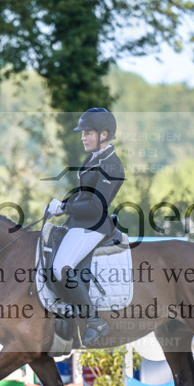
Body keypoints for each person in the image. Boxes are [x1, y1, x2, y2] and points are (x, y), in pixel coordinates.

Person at [45, 107, 125, 345]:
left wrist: (65, 208)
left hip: (93, 225)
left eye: (88, 133)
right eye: (83, 133)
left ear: (104, 134)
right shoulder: (92, 158)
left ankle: (94, 321)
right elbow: (83, 196)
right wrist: (62, 205)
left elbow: (96, 206)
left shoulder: (111, 165)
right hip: (78, 222)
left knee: (61, 267)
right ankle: (65, 312)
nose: (83, 137)